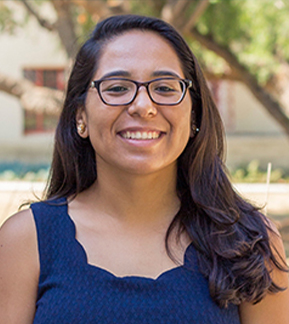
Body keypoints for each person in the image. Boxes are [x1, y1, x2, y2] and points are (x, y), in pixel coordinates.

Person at [0, 14, 288, 324]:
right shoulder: (25, 241)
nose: (143, 105)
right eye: (118, 87)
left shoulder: (252, 242)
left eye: (164, 88)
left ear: (193, 114)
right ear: (80, 116)